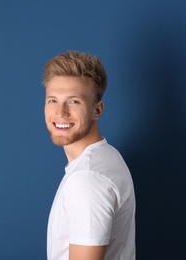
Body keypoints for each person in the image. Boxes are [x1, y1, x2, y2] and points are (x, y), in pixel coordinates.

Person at [43, 50, 136, 260]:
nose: (60, 113)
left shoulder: (87, 179)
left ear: (97, 110)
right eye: (53, 100)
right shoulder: (107, 156)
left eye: (74, 101)